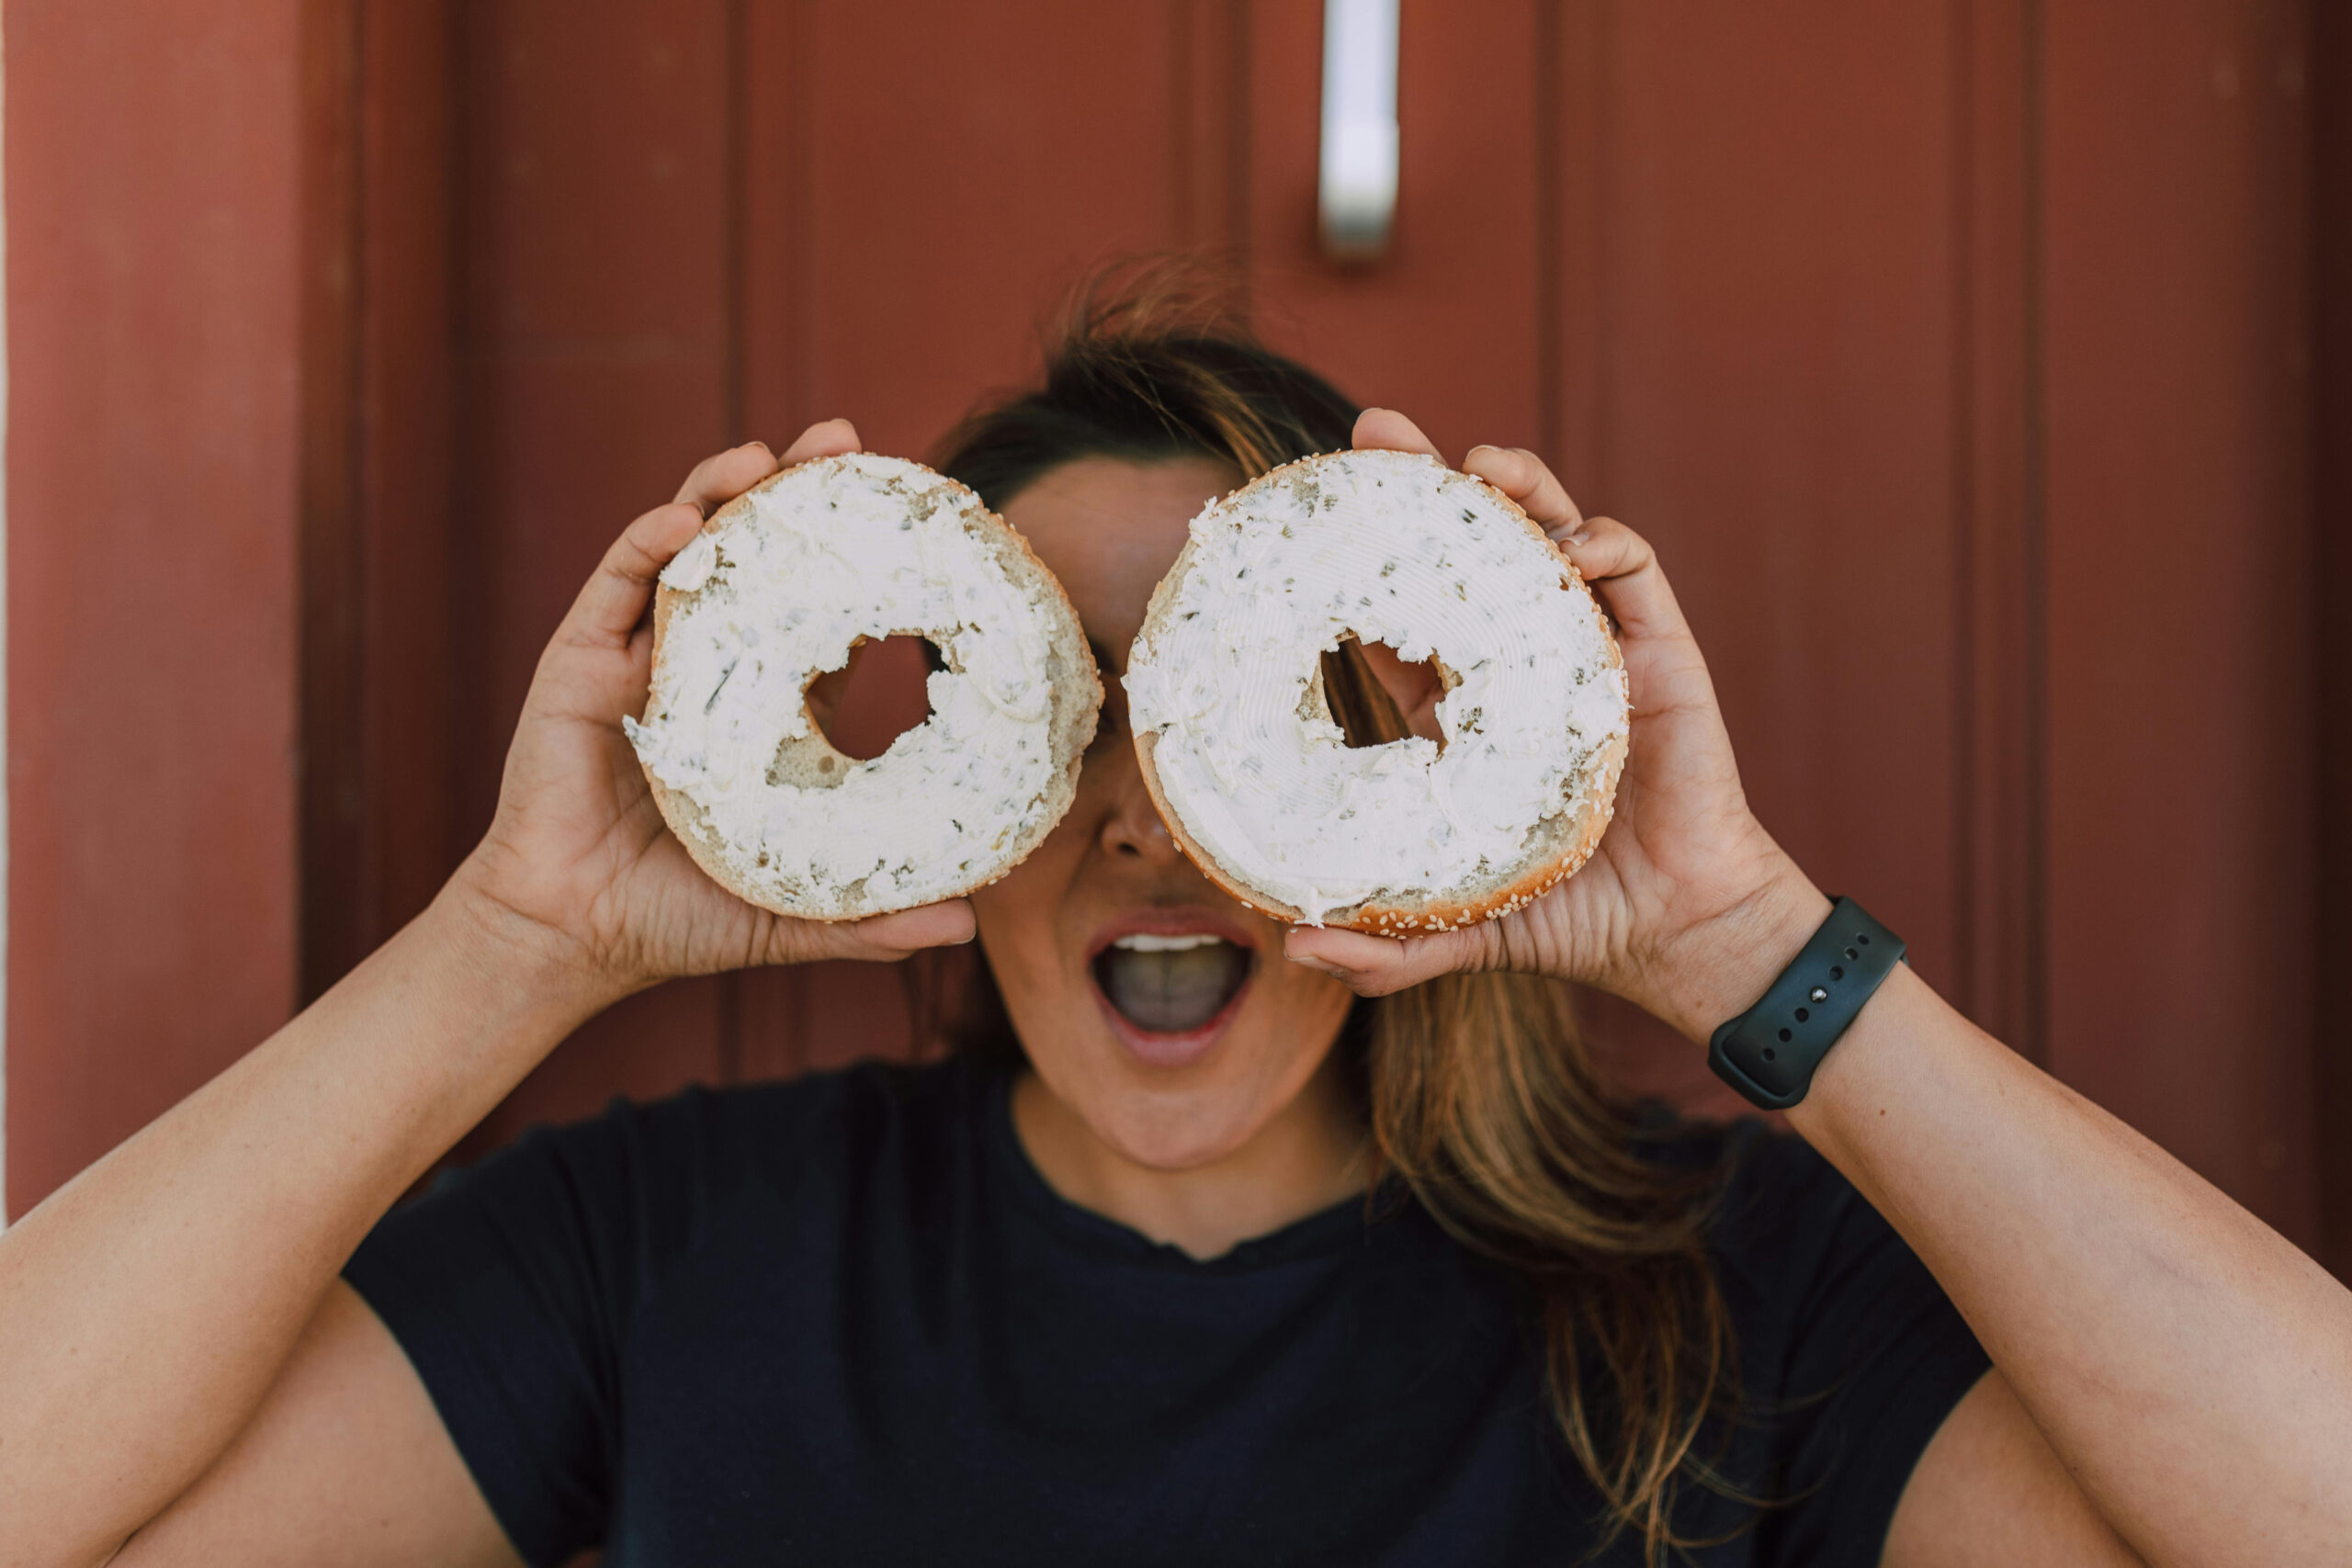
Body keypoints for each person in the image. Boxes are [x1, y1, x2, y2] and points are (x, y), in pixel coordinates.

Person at [1, 283, 2347, 1568]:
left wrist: (1739, 943)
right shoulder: (677, 1253)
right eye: (1059, 712)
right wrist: (513, 942)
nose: (1145, 819)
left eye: (1253, 711)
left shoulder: (1719, 1293)